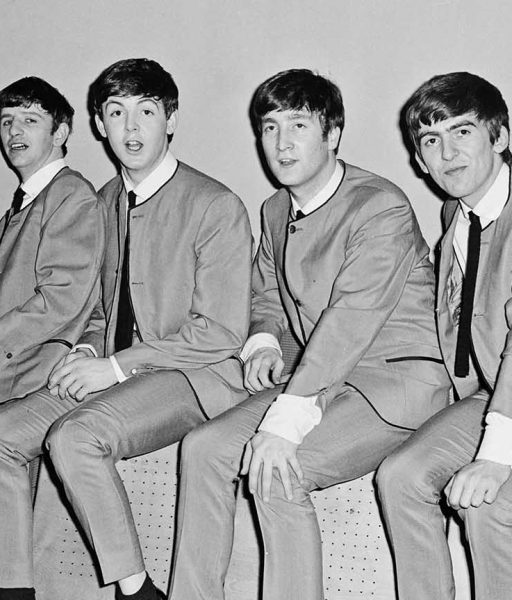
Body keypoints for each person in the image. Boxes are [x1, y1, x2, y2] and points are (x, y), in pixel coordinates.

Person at [167, 68, 451, 600]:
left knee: (278, 468)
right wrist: (265, 342)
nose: (281, 142)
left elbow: (350, 321)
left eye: (298, 125)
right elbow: (266, 294)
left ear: (333, 133)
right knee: (204, 447)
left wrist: (286, 422)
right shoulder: (276, 209)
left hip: (394, 385)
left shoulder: (379, 206)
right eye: (270, 127)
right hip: (321, 380)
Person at [44, 58, 252, 600]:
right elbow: (97, 305)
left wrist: (114, 366)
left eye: (146, 111)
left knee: (74, 435)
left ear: (172, 120)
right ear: (98, 124)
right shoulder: (104, 203)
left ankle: (135, 593)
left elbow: (223, 333)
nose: (131, 128)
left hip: (198, 375)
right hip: (119, 372)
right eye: (117, 113)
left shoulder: (215, 204)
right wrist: (87, 348)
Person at [0, 76, 105, 600]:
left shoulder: (72, 197)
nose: (14, 131)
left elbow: (59, 299)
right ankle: (13, 592)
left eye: (30, 120)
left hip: (17, 373)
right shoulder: (25, 199)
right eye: (6, 121)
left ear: (61, 131)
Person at [377, 72, 512, 600]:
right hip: (489, 394)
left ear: (499, 136)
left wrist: (498, 452)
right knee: (401, 477)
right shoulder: (455, 214)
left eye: (462, 132)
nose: (446, 152)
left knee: (489, 504)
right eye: (431, 140)